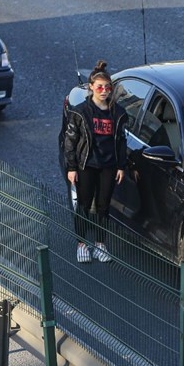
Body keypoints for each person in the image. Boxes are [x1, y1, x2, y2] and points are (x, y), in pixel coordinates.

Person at [62, 60, 129, 263]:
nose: (104, 91)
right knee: (83, 205)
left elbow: (121, 142)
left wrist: (121, 166)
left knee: (103, 206)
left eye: (108, 87)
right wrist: (72, 167)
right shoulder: (80, 112)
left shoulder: (118, 113)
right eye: (99, 87)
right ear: (91, 87)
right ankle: (81, 243)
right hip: (86, 165)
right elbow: (70, 142)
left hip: (108, 166)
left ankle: (101, 244)